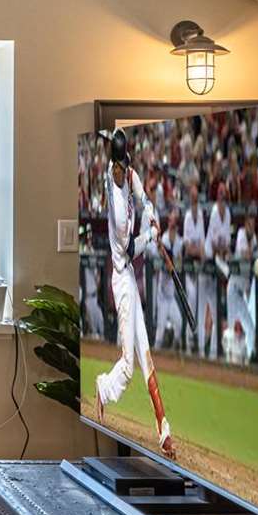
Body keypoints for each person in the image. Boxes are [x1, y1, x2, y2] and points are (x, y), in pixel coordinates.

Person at [93, 134, 174, 454]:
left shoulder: (127, 174)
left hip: (129, 277)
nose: (123, 173)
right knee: (129, 364)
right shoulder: (115, 208)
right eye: (118, 168)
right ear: (111, 167)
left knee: (146, 354)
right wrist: (151, 235)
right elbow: (130, 248)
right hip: (122, 279)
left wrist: (151, 210)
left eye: (124, 167)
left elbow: (142, 195)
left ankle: (163, 429)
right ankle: (104, 386)